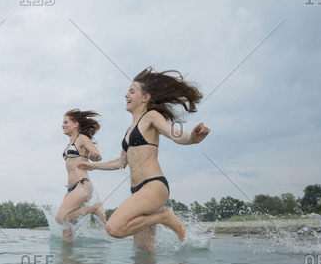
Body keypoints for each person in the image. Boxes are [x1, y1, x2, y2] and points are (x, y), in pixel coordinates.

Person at [79, 68, 210, 252]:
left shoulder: (151, 117)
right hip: (137, 191)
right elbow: (121, 162)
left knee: (114, 228)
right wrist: (93, 167)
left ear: (145, 97)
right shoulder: (127, 130)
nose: (126, 95)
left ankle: (163, 217)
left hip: (153, 186)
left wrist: (192, 139)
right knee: (144, 251)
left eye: (132, 91)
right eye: (127, 91)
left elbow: (173, 134)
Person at [55, 109, 107, 243]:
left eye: (66, 122)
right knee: (65, 224)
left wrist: (94, 157)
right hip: (71, 188)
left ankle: (93, 208)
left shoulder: (82, 139)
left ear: (75, 124)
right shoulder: (70, 142)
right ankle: (68, 258)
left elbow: (96, 154)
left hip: (82, 185)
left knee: (60, 218)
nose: (63, 125)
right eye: (63, 122)